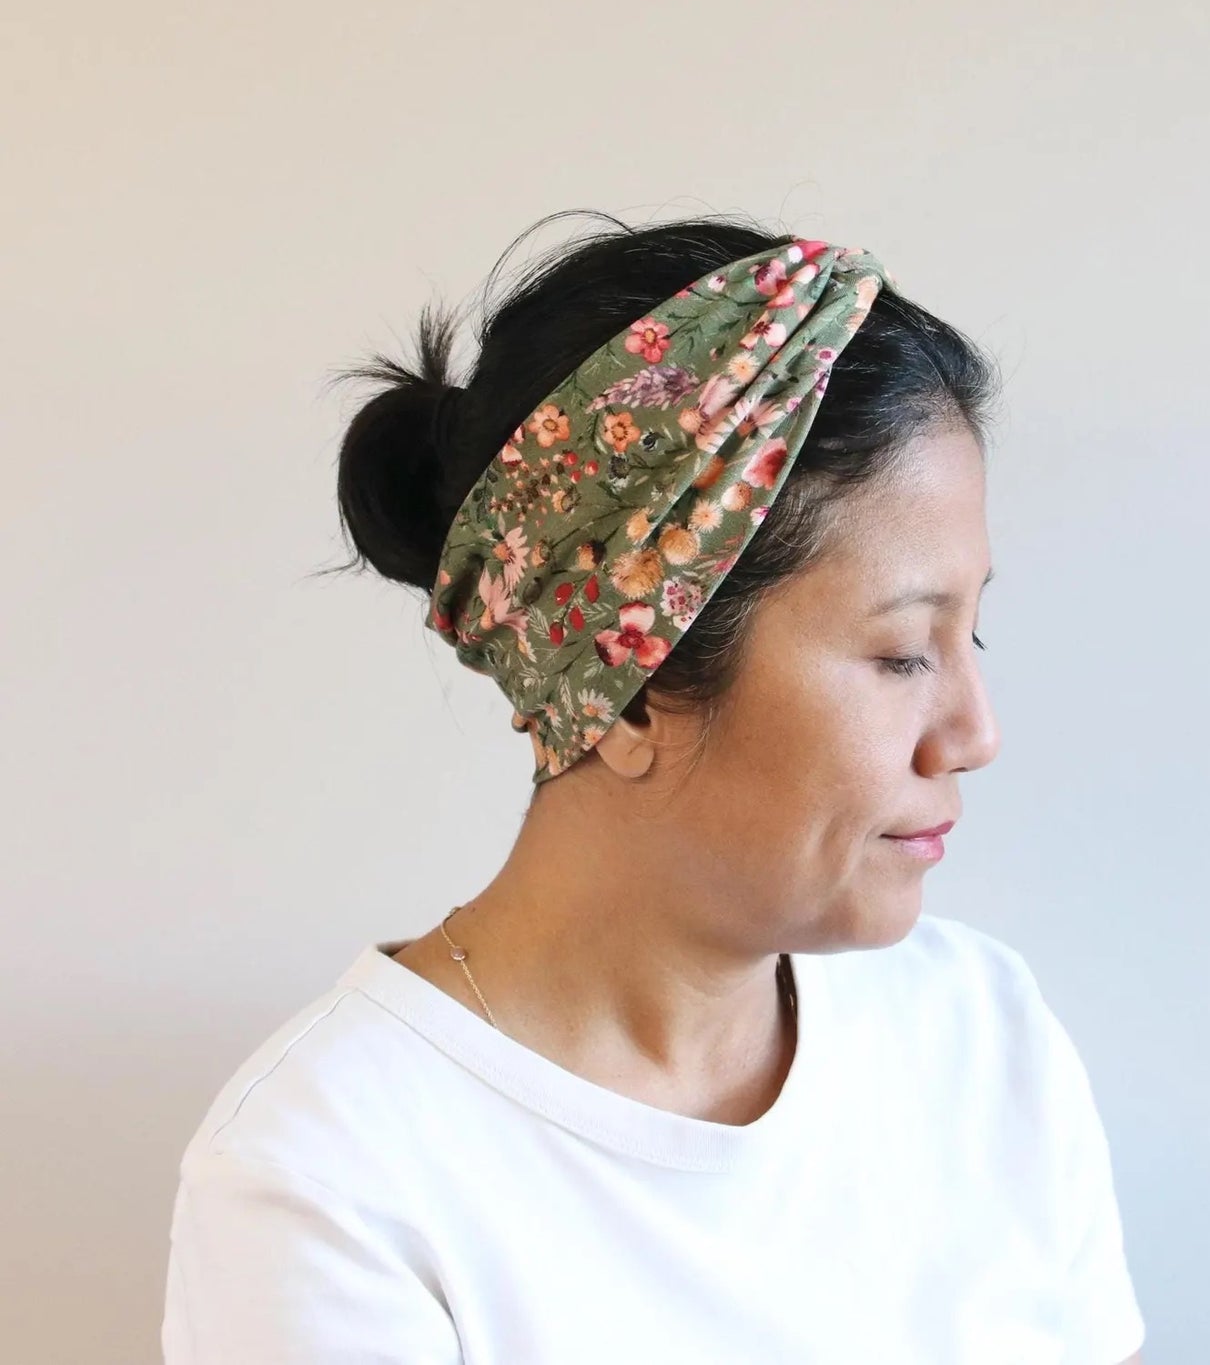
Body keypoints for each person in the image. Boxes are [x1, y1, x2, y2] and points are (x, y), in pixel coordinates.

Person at [160, 212, 1146, 1363]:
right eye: (899, 653)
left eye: (973, 631)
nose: (974, 733)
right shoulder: (333, 1179)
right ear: (630, 688)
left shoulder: (980, 1035)